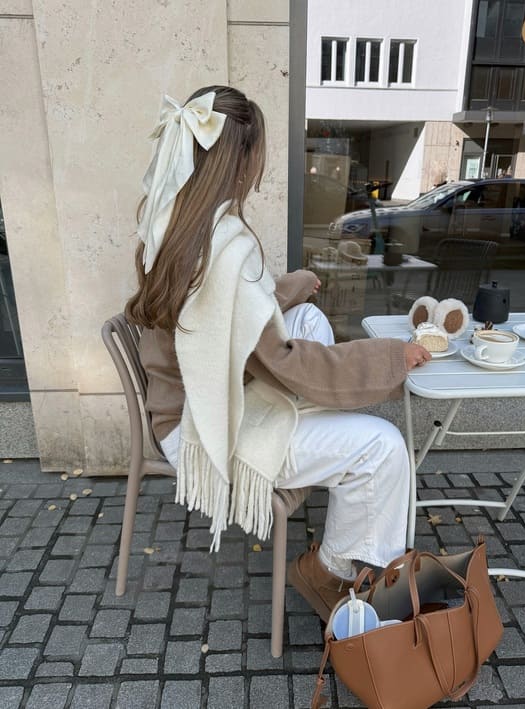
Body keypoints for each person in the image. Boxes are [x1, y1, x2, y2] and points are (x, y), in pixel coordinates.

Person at [126, 86, 431, 622]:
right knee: (383, 447)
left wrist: (287, 287)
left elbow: (232, 316)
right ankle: (330, 571)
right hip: (203, 428)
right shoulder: (222, 246)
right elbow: (281, 358)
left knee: (310, 321)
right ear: (240, 162)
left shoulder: (171, 218)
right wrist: (389, 358)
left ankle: (337, 448)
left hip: (193, 397)